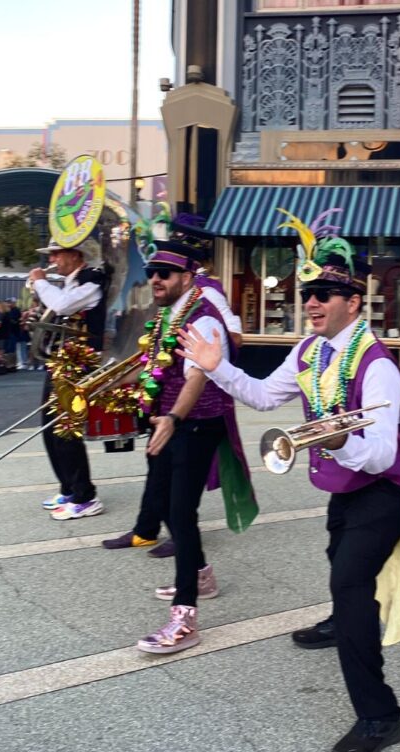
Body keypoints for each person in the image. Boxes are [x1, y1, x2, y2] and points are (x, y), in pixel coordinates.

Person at [177, 216, 400, 752]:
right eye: (308, 293)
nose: (311, 302)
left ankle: (380, 716)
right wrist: (216, 366)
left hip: (388, 488)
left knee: (349, 578)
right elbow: (267, 398)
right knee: (338, 550)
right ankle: (344, 621)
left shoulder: (378, 365)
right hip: (346, 484)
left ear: (354, 302)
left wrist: (336, 439)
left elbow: (383, 454)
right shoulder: (308, 352)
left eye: (325, 294)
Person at [103, 237, 257, 655]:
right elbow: (152, 366)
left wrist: (173, 418)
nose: (154, 279)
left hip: (195, 424)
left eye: (164, 274)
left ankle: (185, 614)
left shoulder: (201, 319)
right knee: (170, 506)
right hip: (170, 423)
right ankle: (201, 573)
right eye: (152, 272)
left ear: (187, 277)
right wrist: (102, 386)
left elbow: (197, 377)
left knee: (179, 512)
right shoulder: (168, 316)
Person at [28, 239, 108, 520]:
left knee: (66, 430)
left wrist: (39, 283)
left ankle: (86, 496)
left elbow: (62, 306)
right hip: (61, 362)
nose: (52, 259)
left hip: (78, 366)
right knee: (50, 428)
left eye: (56, 254)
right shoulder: (71, 283)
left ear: (74, 255)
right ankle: (69, 488)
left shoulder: (92, 281)